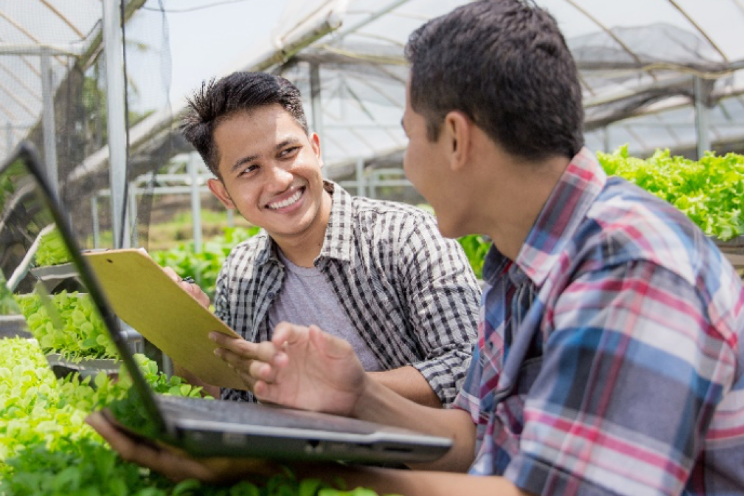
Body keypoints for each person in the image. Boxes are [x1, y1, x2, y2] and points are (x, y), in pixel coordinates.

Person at [88, 1, 744, 495]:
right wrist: (353, 398)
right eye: (248, 170)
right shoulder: (520, 267)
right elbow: (481, 438)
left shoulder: (628, 265)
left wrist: (310, 458)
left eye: (409, 137)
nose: (405, 165)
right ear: (224, 192)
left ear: (455, 140)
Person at [166, 71, 480, 408]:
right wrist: (187, 335)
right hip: (296, 460)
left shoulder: (406, 235)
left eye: (287, 151)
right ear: (224, 194)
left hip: (414, 459)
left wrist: (335, 387)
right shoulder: (240, 272)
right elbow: (236, 399)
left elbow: (469, 366)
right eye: (249, 170)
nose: (280, 180)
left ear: (315, 150)